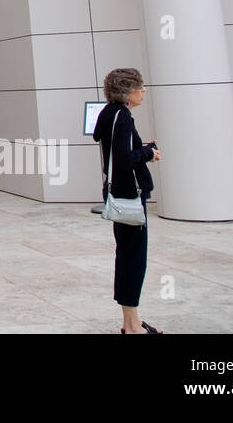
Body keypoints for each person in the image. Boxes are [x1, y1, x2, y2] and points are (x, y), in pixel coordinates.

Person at [93, 67, 163, 334]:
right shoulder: (122, 117)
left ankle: (130, 321)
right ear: (127, 91)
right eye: (140, 86)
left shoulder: (108, 114)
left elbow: (112, 148)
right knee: (134, 259)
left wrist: (142, 148)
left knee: (126, 256)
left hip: (119, 195)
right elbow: (123, 160)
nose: (144, 90)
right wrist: (148, 152)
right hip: (130, 197)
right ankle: (133, 326)